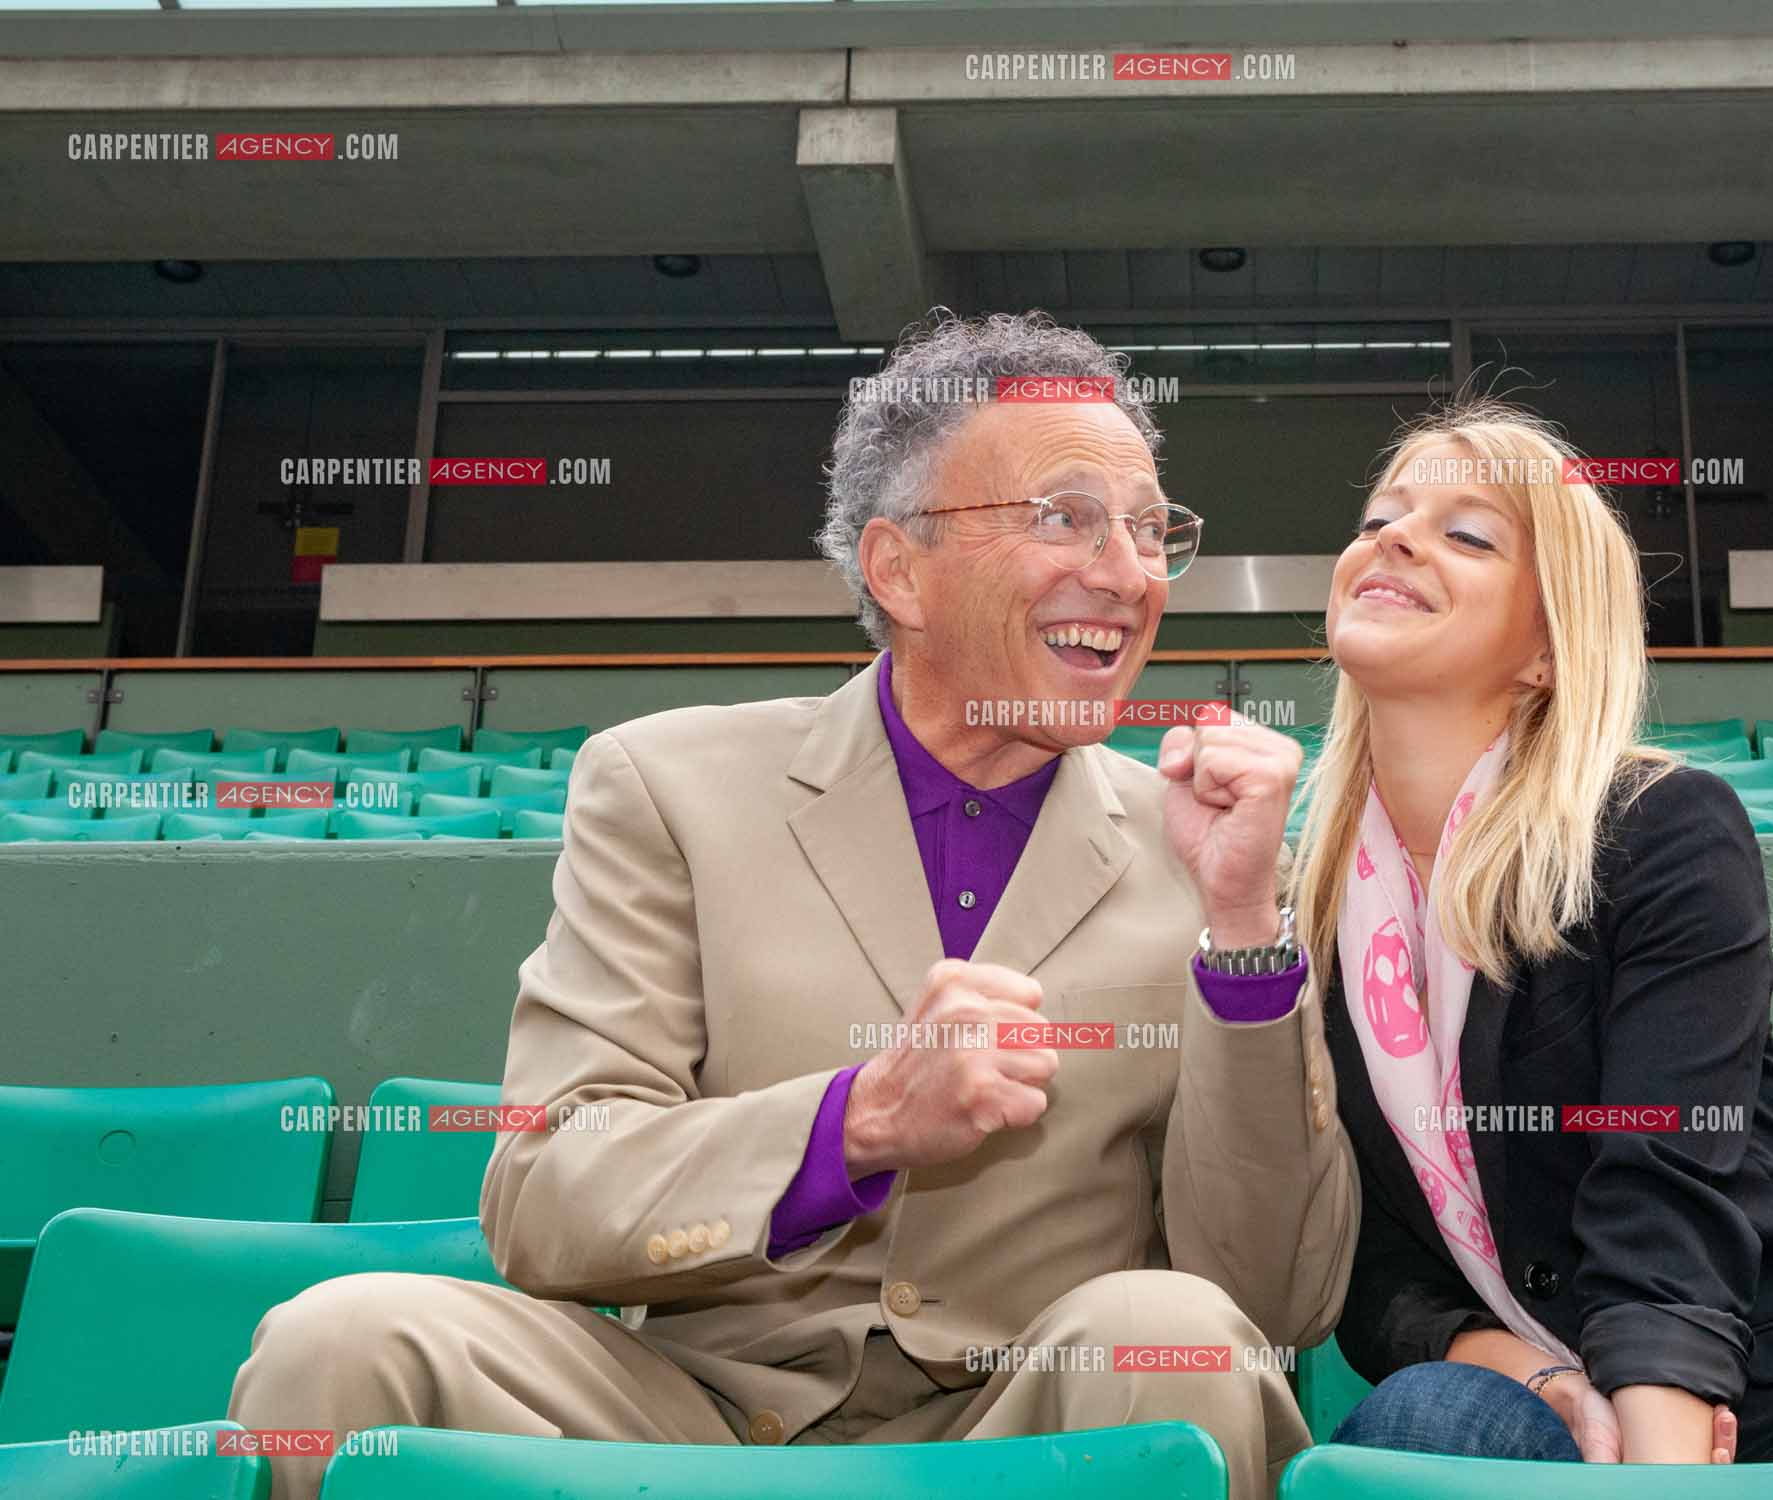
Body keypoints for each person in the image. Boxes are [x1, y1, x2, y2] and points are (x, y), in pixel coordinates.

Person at [229, 312, 1357, 1500]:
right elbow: (548, 1196)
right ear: (898, 569)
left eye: (1147, 530)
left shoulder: (1214, 857)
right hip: (693, 1422)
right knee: (339, 1342)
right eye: (1065, 517)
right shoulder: (662, 785)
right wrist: (856, 1123)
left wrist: (1242, 937)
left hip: (1035, 1433)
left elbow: (1270, 1304)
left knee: (1166, 1334)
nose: (1129, 576)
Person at [1295, 400, 1773, 1464]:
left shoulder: (1660, 828)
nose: (1393, 539)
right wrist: (1538, 1374)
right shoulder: (1314, 912)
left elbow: (1663, 1189)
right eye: (1378, 519)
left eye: (1467, 533)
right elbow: (1368, 1270)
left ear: (1547, 650)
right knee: (1427, 1417)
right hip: (1543, 1396)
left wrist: (1658, 1467)